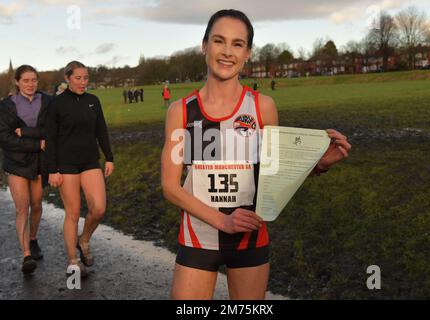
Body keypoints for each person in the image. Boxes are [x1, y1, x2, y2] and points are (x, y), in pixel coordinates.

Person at [161, 9, 351, 300]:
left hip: (250, 238)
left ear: (248, 52)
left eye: (237, 44)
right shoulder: (181, 111)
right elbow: (171, 187)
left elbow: (272, 173)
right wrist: (222, 221)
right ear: (204, 45)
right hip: (198, 237)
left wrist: (317, 163)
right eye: (219, 41)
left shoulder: (263, 107)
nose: (227, 52)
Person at [45, 61, 114, 277]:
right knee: (73, 213)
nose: (83, 82)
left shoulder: (93, 101)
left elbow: (101, 130)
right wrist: (52, 170)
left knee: (99, 208)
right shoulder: (56, 104)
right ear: (68, 78)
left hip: (90, 162)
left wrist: (109, 157)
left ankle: (83, 240)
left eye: (86, 78)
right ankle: (73, 261)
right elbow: (51, 139)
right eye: (78, 78)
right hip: (66, 165)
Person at [0, 65, 51, 274]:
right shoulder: (6, 106)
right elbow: (5, 138)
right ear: (17, 83)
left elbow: (51, 129)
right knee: (23, 207)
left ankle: (33, 238)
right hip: (16, 162)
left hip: (39, 163)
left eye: (34, 80)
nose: (31, 84)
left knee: (37, 205)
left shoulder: (47, 101)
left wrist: (28, 132)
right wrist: (36, 143)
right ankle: (26, 254)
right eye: (26, 81)